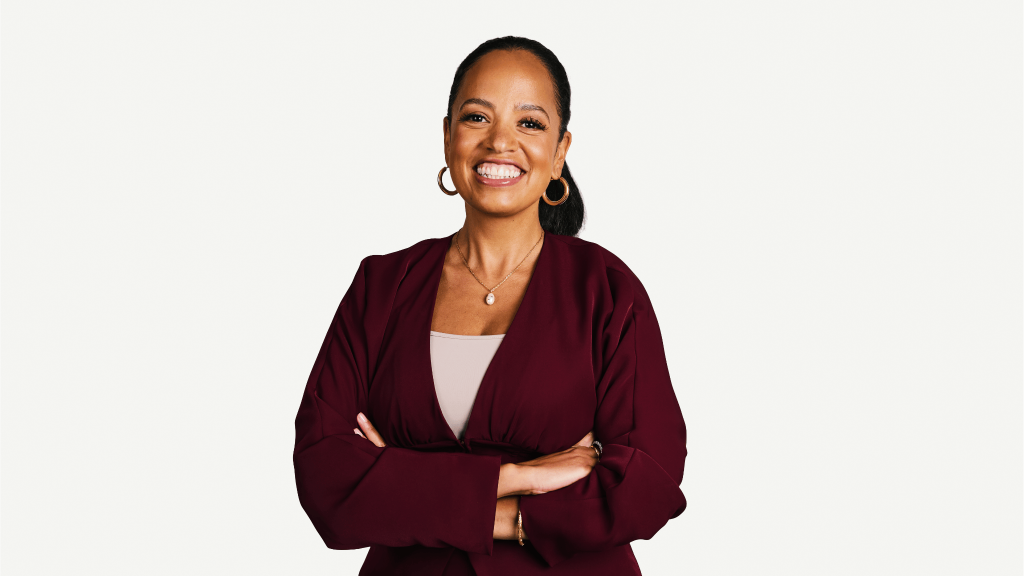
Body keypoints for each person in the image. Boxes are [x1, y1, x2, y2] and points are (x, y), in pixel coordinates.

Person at [293, 36, 687, 575]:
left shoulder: (608, 291)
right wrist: (517, 478)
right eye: (477, 117)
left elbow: (647, 483)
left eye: (530, 123)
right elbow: (325, 479)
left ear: (560, 152)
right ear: (447, 137)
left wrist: (404, 480)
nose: (500, 141)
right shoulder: (380, 286)